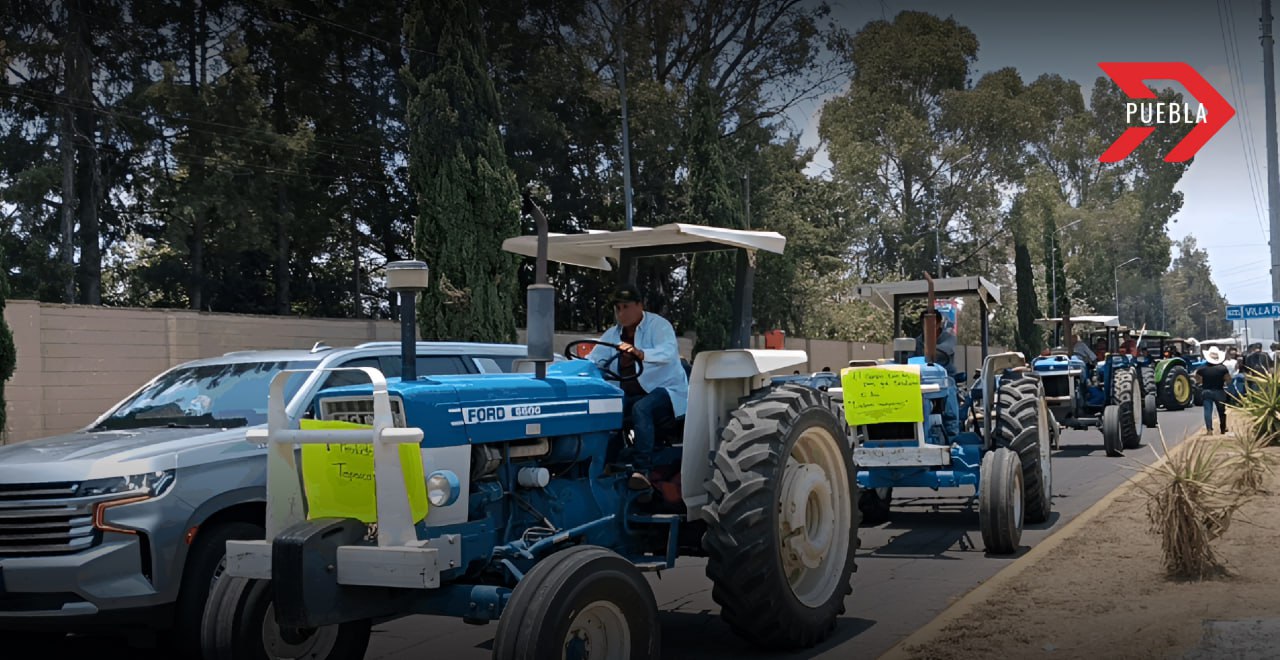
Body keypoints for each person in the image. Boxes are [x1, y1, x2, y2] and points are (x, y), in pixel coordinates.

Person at [586, 284, 689, 481]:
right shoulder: (613, 334)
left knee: (642, 409)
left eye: (626, 307)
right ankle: (605, 466)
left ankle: (642, 471)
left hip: (667, 390)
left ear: (639, 305)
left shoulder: (659, 326)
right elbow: (594, 358)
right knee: (607, 409)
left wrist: (641, 354)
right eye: (617, 308)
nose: (621, 313)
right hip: (631, 394)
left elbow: (667, 352)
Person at [1196, 346, 1230, 434]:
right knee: (1221, 411)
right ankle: (1223, 428)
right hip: (1219, 391)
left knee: (1207, 411)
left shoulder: (1202, 369)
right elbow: (1228, 380)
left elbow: (1198, 380)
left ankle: (1209, 430)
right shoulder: (1222, 368)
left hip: (1206, 391)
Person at [914, 309, 957, 377]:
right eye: (924, 324)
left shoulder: (949, 338)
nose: (927, 327)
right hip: (924, 377)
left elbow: (947, 349)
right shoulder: (917, 342)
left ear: (939, 324)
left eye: (931, 324)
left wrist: (928, 348)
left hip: (947, 376)